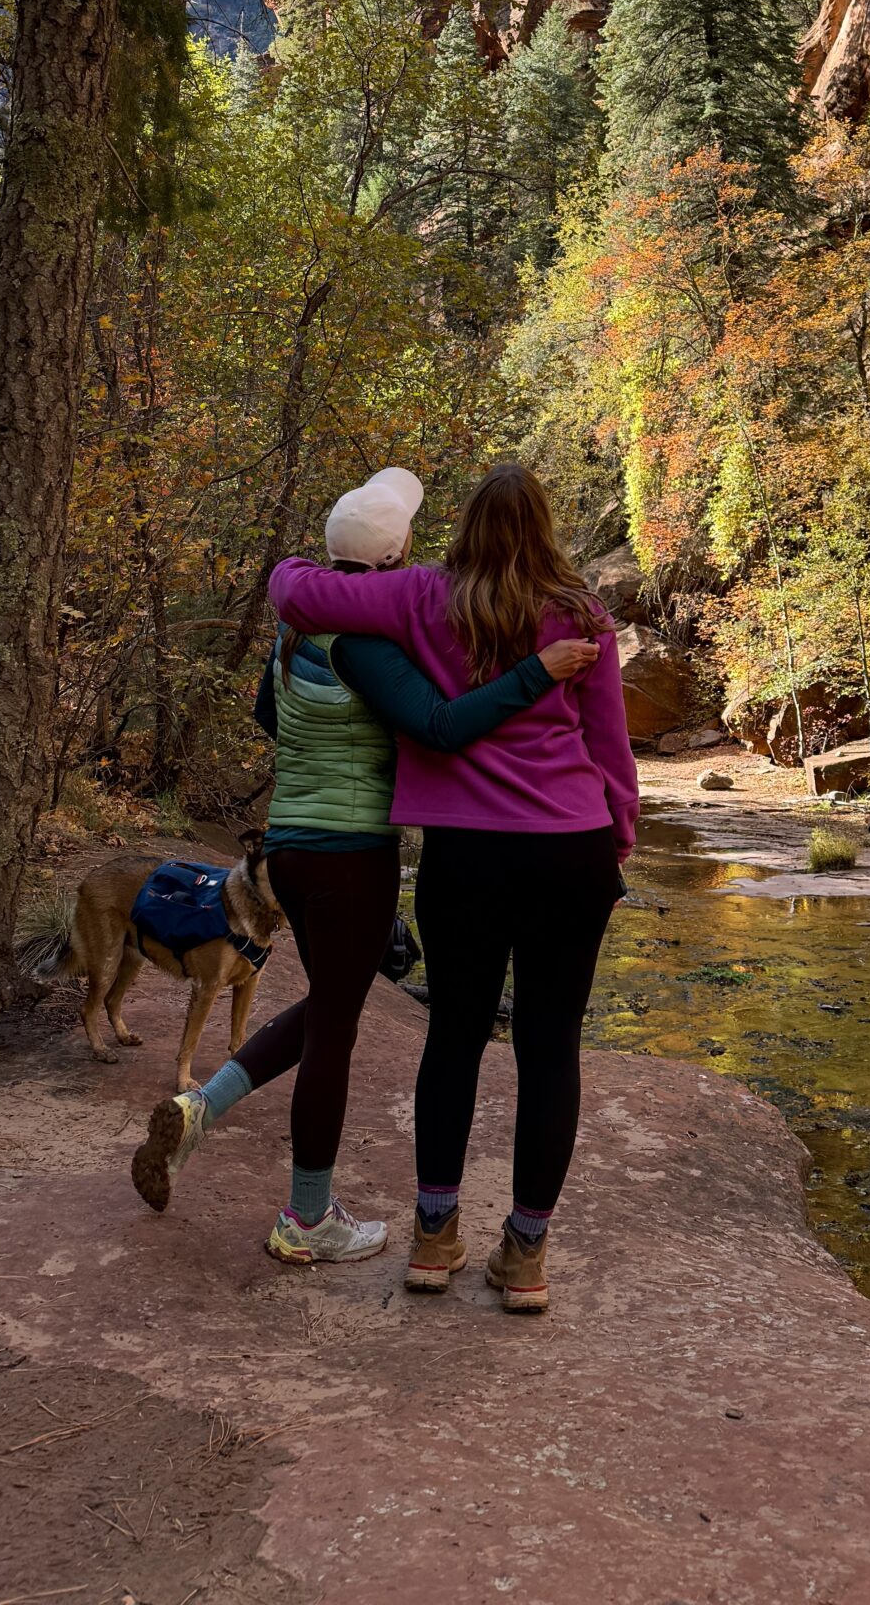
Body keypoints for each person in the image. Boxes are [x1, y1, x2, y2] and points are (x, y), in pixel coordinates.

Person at [130, 466, 599, 1261]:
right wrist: (533, 675)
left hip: (288, 849)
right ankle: (306, 1217)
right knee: (338, 1026)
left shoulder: (293, 633)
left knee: (329, 1007)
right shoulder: (372, 645)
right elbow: (440, 726)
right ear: (392, 555)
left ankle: (204, 1106)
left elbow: (269, 717)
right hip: (353, 856)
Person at [269, 459, 636, 1316]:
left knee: (456, 1039)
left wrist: (297, 561)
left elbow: (296, 594)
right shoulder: (583, 617)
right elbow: (610, 748)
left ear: (463, 528)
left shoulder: (423, 597)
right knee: (551, 1051)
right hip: (570, 851)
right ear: (545, 530)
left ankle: (435, 1238)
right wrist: (616, 837)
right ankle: (526, 1255)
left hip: (465, 855)